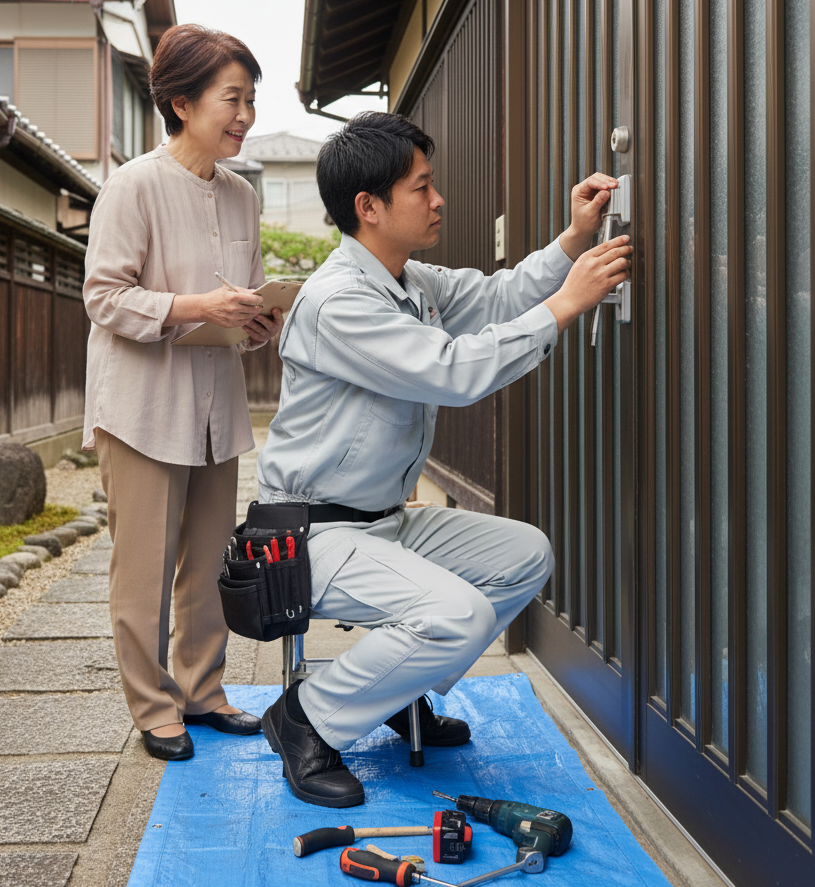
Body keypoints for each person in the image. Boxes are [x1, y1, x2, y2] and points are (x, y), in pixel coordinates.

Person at [256, 111, 632, 807]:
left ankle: (395, 693)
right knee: (456, 614)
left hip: (383, 522)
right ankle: (305, 717)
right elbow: (452, 372)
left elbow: (497, 295)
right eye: (421, 187)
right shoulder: (340, 302)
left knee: (524, 554)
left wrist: (573, 240)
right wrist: (566, 306)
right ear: (369, 207)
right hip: (312, 533)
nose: (438, 200)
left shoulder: (409, 279)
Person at [83, 25, 283, 762]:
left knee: (208, 562)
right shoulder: (132, 186)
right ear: (181, 103)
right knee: (142, 570)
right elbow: (103, 296)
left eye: (250, 100)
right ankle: (153, 706)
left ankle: (202, 690)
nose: (245, 116)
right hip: (141, 409)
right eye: (232, 99)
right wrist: (198, 306)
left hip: (214, 407)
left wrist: (257, 322)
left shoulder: (242, 195)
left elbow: (238, 307)